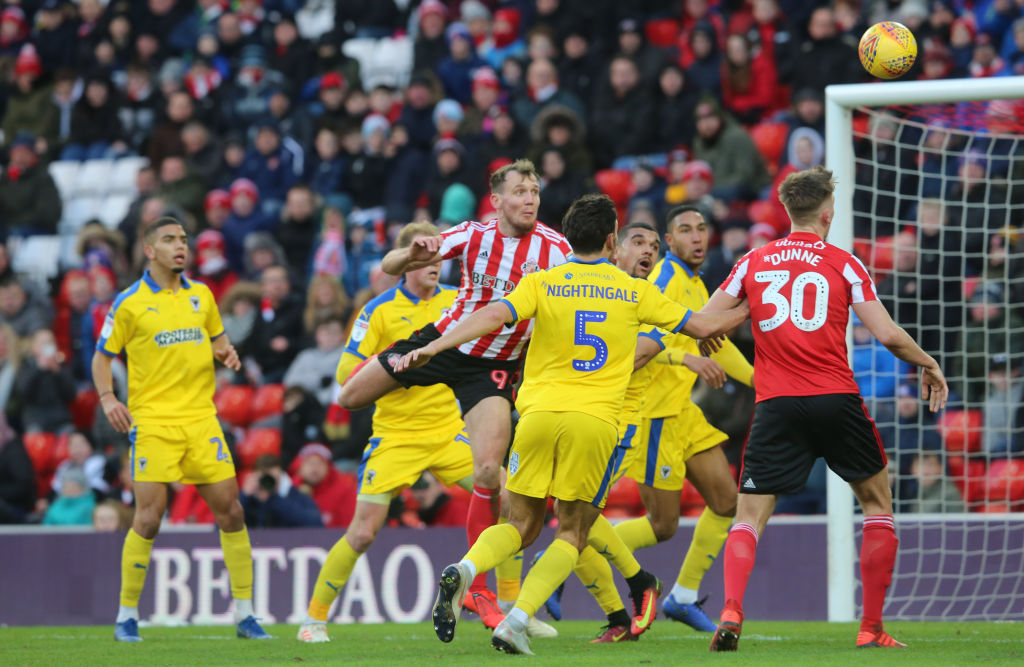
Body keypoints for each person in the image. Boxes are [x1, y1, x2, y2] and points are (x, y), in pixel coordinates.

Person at [396, 194, 749, 655]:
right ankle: (517, 620)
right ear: (610, 240)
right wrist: (751, 306)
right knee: (572, 532)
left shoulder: (542, 281)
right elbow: (703, 328)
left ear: (568, 238)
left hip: (537, 416)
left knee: (521, 524)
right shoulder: (635, 290)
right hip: (594, 422)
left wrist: (437, 346)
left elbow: (491, 316)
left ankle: (465, 570)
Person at [703, 166, 948, 651]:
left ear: (788, 211)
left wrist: (747, 310)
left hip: (775, 404)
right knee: (877, 503)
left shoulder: (753, 261)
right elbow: (889, 336)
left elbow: (707, 321)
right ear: (827, 212)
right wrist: (930, 363)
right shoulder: (844, 262)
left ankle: (731, 609)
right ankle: (871, 627)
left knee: (749, 517)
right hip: (836, 398)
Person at [336, 160, 573, 612]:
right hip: (440, 344)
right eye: (520, 191)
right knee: (349, 397)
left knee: (488, 472)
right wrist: (412, 254)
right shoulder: (470, 234)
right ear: (497, 200)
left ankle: (475, 587)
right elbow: (389, 264)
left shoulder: (555, 249)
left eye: (536, 192)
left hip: (493, 369)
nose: (530, 200)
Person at [93, 217, 270, 642]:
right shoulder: (129, 302)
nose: (181, 247)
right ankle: (126, 616)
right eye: (170, 240)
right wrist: (108, 399)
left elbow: (216, 338)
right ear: (149, 250)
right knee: (149, 518)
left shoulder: (202, 295)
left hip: (201, 420)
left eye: (184, 240)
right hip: (153, 422)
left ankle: (245, 615)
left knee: (232, 513)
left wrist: (225, 352)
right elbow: (102, 357)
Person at [296, 222, 475, 643]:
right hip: (396, 436)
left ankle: (507, 609)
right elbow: (346, 372)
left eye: (439, 254)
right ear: (405, 263)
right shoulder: (378, 311)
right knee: (361, 532)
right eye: (425, 255)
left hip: (451, 432)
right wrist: (396, 365)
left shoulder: (459, 302)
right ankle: (313, 621)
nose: (436, 262)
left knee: (506, 503)